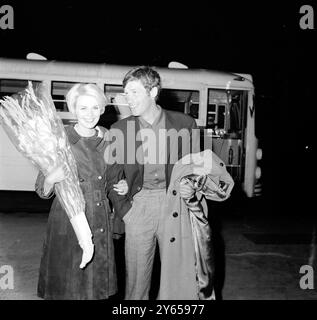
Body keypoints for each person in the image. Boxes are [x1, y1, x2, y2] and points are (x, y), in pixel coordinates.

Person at [106, 66, 201, 300]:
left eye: (134, 92)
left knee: (176, 281)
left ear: (153, 92)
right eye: (125, 93)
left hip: (174, 206)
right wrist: (125, 211)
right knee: (136, 285)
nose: (128, 99)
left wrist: (192, 186)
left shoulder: (185, 124)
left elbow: (197, 168)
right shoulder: (119, 129)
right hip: (138, 206)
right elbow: (112, 175)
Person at [35, 83, 128, 300]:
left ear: (102, 109)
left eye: (95, 108)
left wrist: (122, 185)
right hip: (68, 219)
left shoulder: (110, 140)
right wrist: (50, 178)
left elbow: (114, 179)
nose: (89, 114)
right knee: (69, 285)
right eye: (83, 108)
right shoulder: (60, 140)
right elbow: (42, 189)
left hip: (100, 219)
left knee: (95, 288)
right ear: (73, 109)